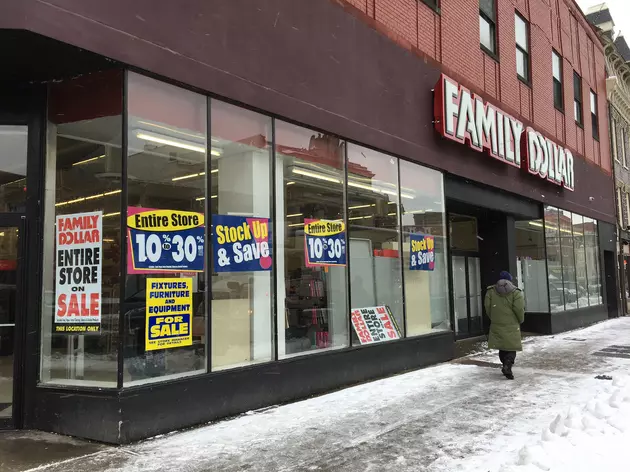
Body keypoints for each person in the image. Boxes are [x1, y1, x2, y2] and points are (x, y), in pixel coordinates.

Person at [484, 271, 525, 380]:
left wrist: (494, 318)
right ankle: (508, 364)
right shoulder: (516, 293)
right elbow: (519, 309)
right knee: (511, 346)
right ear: (510, 280)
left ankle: (504, 363)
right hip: (511, 324)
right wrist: (520, 320)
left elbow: (487, 307)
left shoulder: (491, 291)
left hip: (497, 323)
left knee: (502, 345)